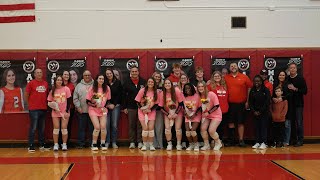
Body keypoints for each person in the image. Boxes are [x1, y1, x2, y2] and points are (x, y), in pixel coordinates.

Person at [224, 63, 252, 147]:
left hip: (241, 104)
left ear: (238, 67)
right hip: (230, 104)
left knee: (241, 123)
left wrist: (247, 101)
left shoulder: (244, 77)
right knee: (230, 122)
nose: (233, 67)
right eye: (231, 66)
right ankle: (231, 140)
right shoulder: (225, 77)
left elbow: (249, 88)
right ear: (229, 68)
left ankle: (241, 140)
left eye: (234, 66)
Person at [25, 68, 50, 152]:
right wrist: (30, 105)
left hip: (43, 108)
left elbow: (47, 95)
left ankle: (42, 144)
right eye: (37, 73)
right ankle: (31, 145)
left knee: (42, 128)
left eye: (40, 72)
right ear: (34, 74)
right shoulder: (31, 83)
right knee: (33, 127)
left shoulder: (45, 83)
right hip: (34, 109)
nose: (39, 74)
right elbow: (26, 95)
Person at [123, 66, 146, 149]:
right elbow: (123, 96)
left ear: (138, 72)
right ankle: (132, 142)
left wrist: (145, 106)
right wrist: (124, 107)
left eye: (136, 71)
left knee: (140, 125)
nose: (134, 73)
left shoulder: (143, 81)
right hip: (130, 107)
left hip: (141, 107)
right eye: (133, 71)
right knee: (131, 125)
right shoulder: (126, 82)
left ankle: (140, 141)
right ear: (130, 73)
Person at [86, 74, 111, 151]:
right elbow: (87, 101)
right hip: (93, 110)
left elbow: (108, 100)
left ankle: (102, 143)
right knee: (97, 127)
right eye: (100, 78)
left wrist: (105, 107)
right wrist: (94, 104)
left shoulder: (107, 88)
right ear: (96, 79)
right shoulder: (92, 88)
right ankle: (94, 144)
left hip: (102, 110)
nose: (101, 80)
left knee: (103, 127)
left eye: (102, 79)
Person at [158, 79, 184, 151]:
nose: (167, 85)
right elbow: (160, 107)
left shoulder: (176, 91)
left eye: (168, 83)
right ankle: (169, 144)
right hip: (167, 113)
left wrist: (176, 113)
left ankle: (179, 144)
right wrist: (168, 114)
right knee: (167, 129)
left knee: (178, 129)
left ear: (171, 84)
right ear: (164, 85)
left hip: (177, 113)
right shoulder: (162, 93)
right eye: (165, 83)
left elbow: (181, 104)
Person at [47, 75, 71, 151]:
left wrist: (67, 111)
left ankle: (64, 144)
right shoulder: (52, 91)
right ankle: (56, 145)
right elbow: (49, 102)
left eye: (60, 80)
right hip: (55, 113)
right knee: (56, 128)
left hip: (64, 112)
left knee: (64, 128)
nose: (59, 81)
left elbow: (69, 101)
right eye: (58, 80)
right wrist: (54, 108)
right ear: (55, 81)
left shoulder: (66, 89)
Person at [135, 77, 159, 151]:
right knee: (145, 128)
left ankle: (151, 145)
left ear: (154, 83)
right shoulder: (142, 90)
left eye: (152, 82)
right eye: (149, 82)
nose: (150, 83)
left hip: (151, 112)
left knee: (150, 128)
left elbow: (157, 104)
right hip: (142, 112)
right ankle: (145, 145)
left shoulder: (156, 92)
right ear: (147, 83)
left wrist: (150, 110)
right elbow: (137, 101)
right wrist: (143, 109)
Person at [286, 62, 307, 147]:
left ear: (296, 69)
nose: (292, 69)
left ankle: (300, 140)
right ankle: (293, 139)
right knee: (291, 123)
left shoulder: (301, 79)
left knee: (299, 122)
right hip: (290, 104)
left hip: (298, 104)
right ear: (289, 69)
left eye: (294, 68)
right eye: (291, 68)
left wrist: (295, 89)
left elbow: (305, 91)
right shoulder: (287, 79)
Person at [198, 81, 223, 151]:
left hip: (216, 115)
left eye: (202, 86)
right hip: (206, 115)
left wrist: (208, 112)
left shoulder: (211, 94)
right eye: (199, 87)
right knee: (202, 129)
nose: (200, 88)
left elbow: (217, 106)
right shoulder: (199, 96)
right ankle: (206, 145)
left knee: (211, 130)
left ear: (205, 87)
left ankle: (218, 143)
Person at [73, 70, 94, 149]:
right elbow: (75, 98)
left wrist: (94, 105)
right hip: (81, 111)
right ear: (83, 76)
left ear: (91, 75)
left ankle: (92, 143)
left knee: (92, 128)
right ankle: (80, 143)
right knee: (81, 128)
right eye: (86, 75)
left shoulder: (95, 85)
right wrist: (78, 107)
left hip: (93, 112)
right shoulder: (78, 86)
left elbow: (97, 95)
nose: (87, 77)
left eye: (89, 75)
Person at [249, 75, 271, 150]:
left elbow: (267, 102)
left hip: (264, 112)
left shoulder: (266, 90)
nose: (256, 82)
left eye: (258, 81)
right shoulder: (252, 90)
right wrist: (254, 111)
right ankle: (257, 142)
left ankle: (264, 142)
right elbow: (250, 102)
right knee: (256, 127)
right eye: (255, 81)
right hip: (255, 112)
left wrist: (260, 111)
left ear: (261, 82)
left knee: (263, 127)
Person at [207, 71, 229, 144]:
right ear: (213, 77)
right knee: (213, 127)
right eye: (215, 76)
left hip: (224, 109)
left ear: (221, 77)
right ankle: (213, 140)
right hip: (214, 110)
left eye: (218, 76)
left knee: (222, 127)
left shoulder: (225, 85)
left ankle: (220, 140)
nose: (217, 77)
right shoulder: (210, 86)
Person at [105, 68, 122, 149]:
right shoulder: (104, 83)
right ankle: (107, 142)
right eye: (107, 74)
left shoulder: (118, 82)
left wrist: (114, 104)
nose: (109, 75)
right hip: (105, 107)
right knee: (106, 125)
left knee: (114, 125)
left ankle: (114, 142)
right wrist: (107, 104)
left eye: (110, 73)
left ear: (113, 74)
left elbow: (120, 95)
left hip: (116, 106)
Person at [272, 70, 291, 146]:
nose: (281, 76)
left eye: (283, 75)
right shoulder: (275, 84)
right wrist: (272, 98)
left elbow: (290, 94)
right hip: (276, 108)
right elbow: (272, 94)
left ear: (285, 76)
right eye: (280, 75)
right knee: (277, 128)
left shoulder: (288, 84)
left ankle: (286, 141)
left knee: (286, 125)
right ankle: (277, 141)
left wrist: (282, 99)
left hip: (285, 105)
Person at [183, 83, 201, 151]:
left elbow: (200, 107)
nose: (187, 90)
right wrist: (186, 114)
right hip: (187, 116)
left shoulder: (197, 96)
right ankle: (191, 144)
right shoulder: (184, 97)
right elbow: (183, 107)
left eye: (189, 88)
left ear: (192, 88)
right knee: (187, 132)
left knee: (193, 130)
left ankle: (196, 144)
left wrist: (195, 114)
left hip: (196, 115)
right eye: (186, 88)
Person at [61, 70, 75, 146]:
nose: (66, 76)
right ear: (62, 75)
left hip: (70, 108)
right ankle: (59, 142)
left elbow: (73, 97)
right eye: (65, 74)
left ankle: (66, 142)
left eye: (67, 75)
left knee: (68, 126)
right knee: (60, 126)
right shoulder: (59, 84)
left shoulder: (71, 85)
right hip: (60, 109)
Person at [152, 71, 164, 149]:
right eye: (156, 77)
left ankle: (160, 144)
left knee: (159, 128)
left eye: (158, 77)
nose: (157, 78)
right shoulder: (149, 87)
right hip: (151, 110)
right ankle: (153, 144)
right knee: (151, 127)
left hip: (159, 110)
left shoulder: (163, 87)